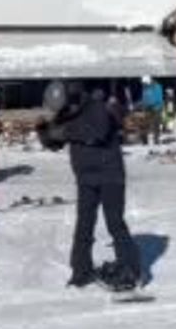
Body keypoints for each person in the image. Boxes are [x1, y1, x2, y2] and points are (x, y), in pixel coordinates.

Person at [38, 81, 141, 292]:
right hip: (85, 177)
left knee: (115, 223)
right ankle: (81, 269)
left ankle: (129, 270)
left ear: (71, 99)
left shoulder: (96, 106)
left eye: (65, 107)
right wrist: (45, 133)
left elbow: (97, 132)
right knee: (84, 224)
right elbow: (57, 141)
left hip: (110, 175)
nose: (64, 111)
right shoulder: (67, 112)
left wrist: (64, 131)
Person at [140, 76, 165, 145]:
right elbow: (144, 97)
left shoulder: (157, 87)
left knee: (156, 124)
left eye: (145, 83)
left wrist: (150, 104)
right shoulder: (145, 88)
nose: (145, 85)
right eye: (144, 84)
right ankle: (145, 140)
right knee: (145, 124)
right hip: (148, 108)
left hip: (156, 108)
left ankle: (156, 139)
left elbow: (158, 98)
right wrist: (143, 104)